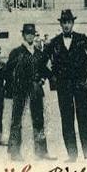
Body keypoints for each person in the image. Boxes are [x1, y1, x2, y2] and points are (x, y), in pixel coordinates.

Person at [41, 10, 87, 163]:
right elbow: (41, 62)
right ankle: (72, 155)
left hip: (81, 85)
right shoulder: (54, 42)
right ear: (61, 24)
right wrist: (52, 77)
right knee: (67, 119)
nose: (67, 25)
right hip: (64, 87)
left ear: (73, 23)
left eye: (69, 22)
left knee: (85, 118)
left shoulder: (82, 39)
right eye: (64, 22)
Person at [6, 24, 52, 161]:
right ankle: (14, 152)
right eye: (27, 34)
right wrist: (13, 86)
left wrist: (42, 79)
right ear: (23, 35)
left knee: (39, 119)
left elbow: (44, 70)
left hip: (35, 89)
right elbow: (8, 71)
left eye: (32, 34)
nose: (30, 36)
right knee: (16, 119)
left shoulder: (39, 53)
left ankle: (41, 151)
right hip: (20, 89)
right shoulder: (16, 52)